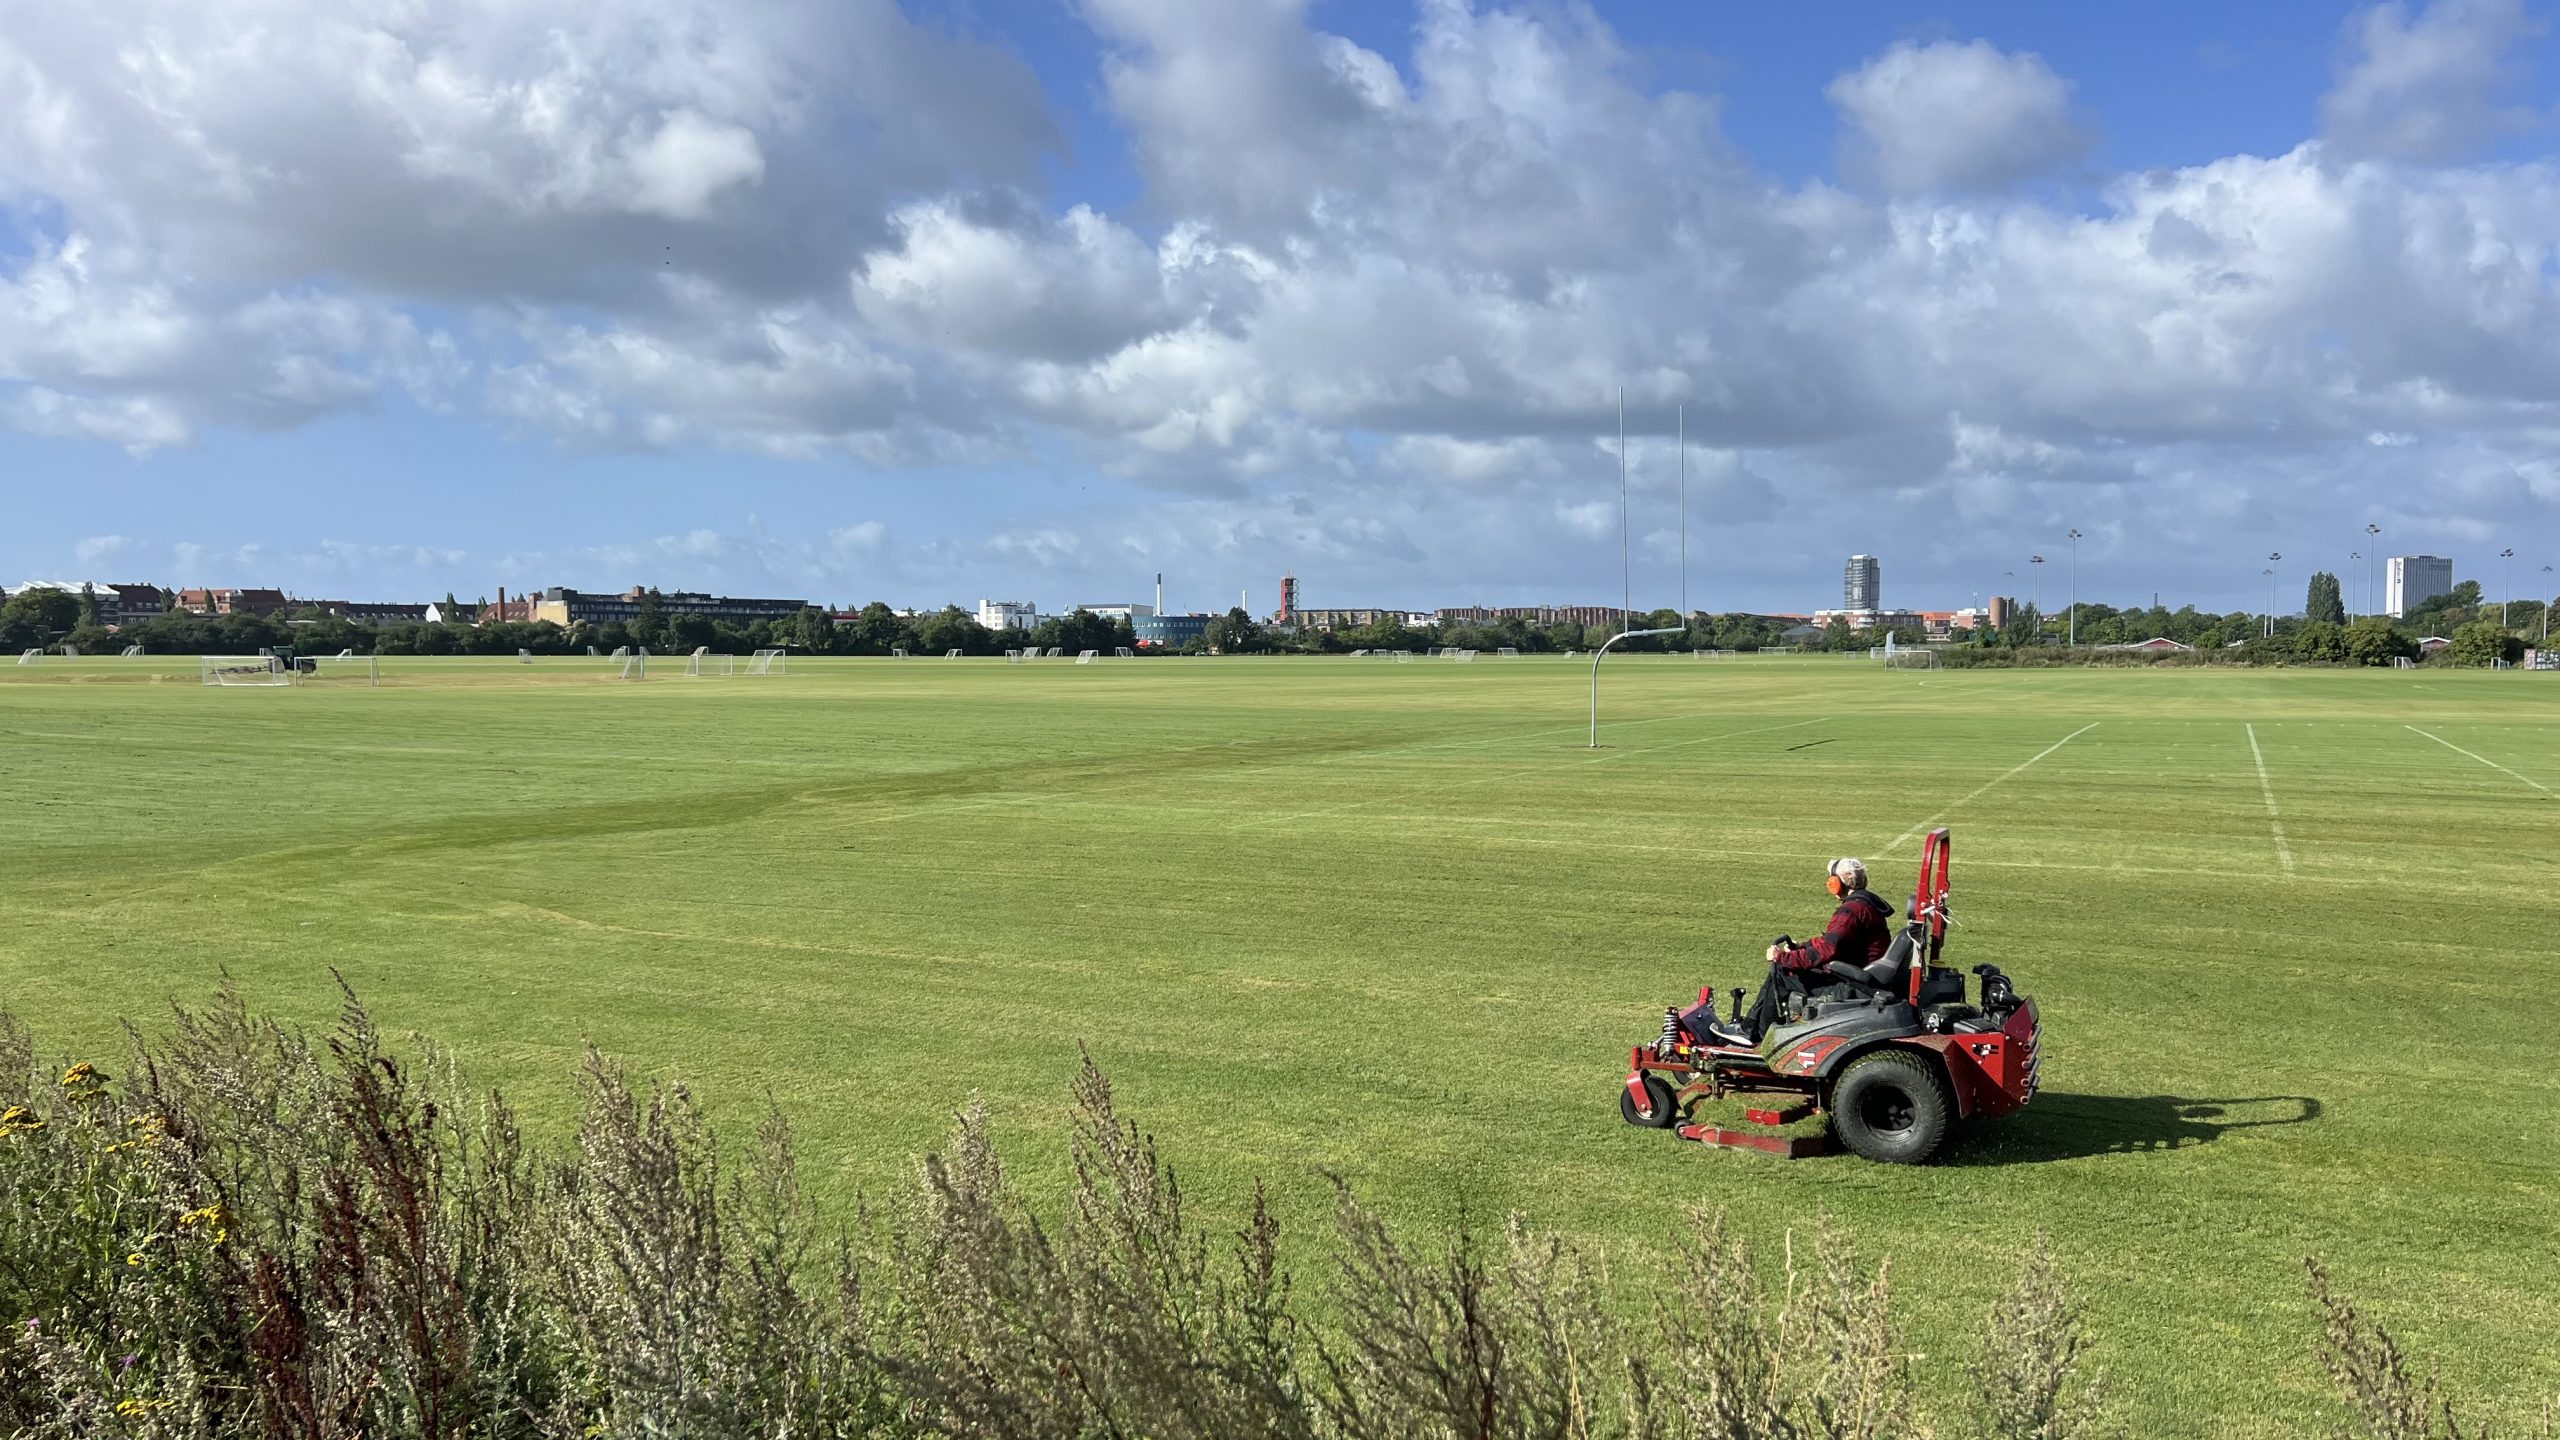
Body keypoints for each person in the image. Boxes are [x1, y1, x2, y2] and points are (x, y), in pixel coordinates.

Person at [1690, 858, 1896, 1047]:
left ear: (1837, 883)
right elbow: (1834, 941)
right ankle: (1754, 1027)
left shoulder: (1850, 911)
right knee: (1786, 968)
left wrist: (1784, 957)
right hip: (1860, 977)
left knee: (1782, 972)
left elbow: (1828, 950)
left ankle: (1752, 1033)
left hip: (1852, 985)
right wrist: (1801, 947)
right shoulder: (1865, 905)